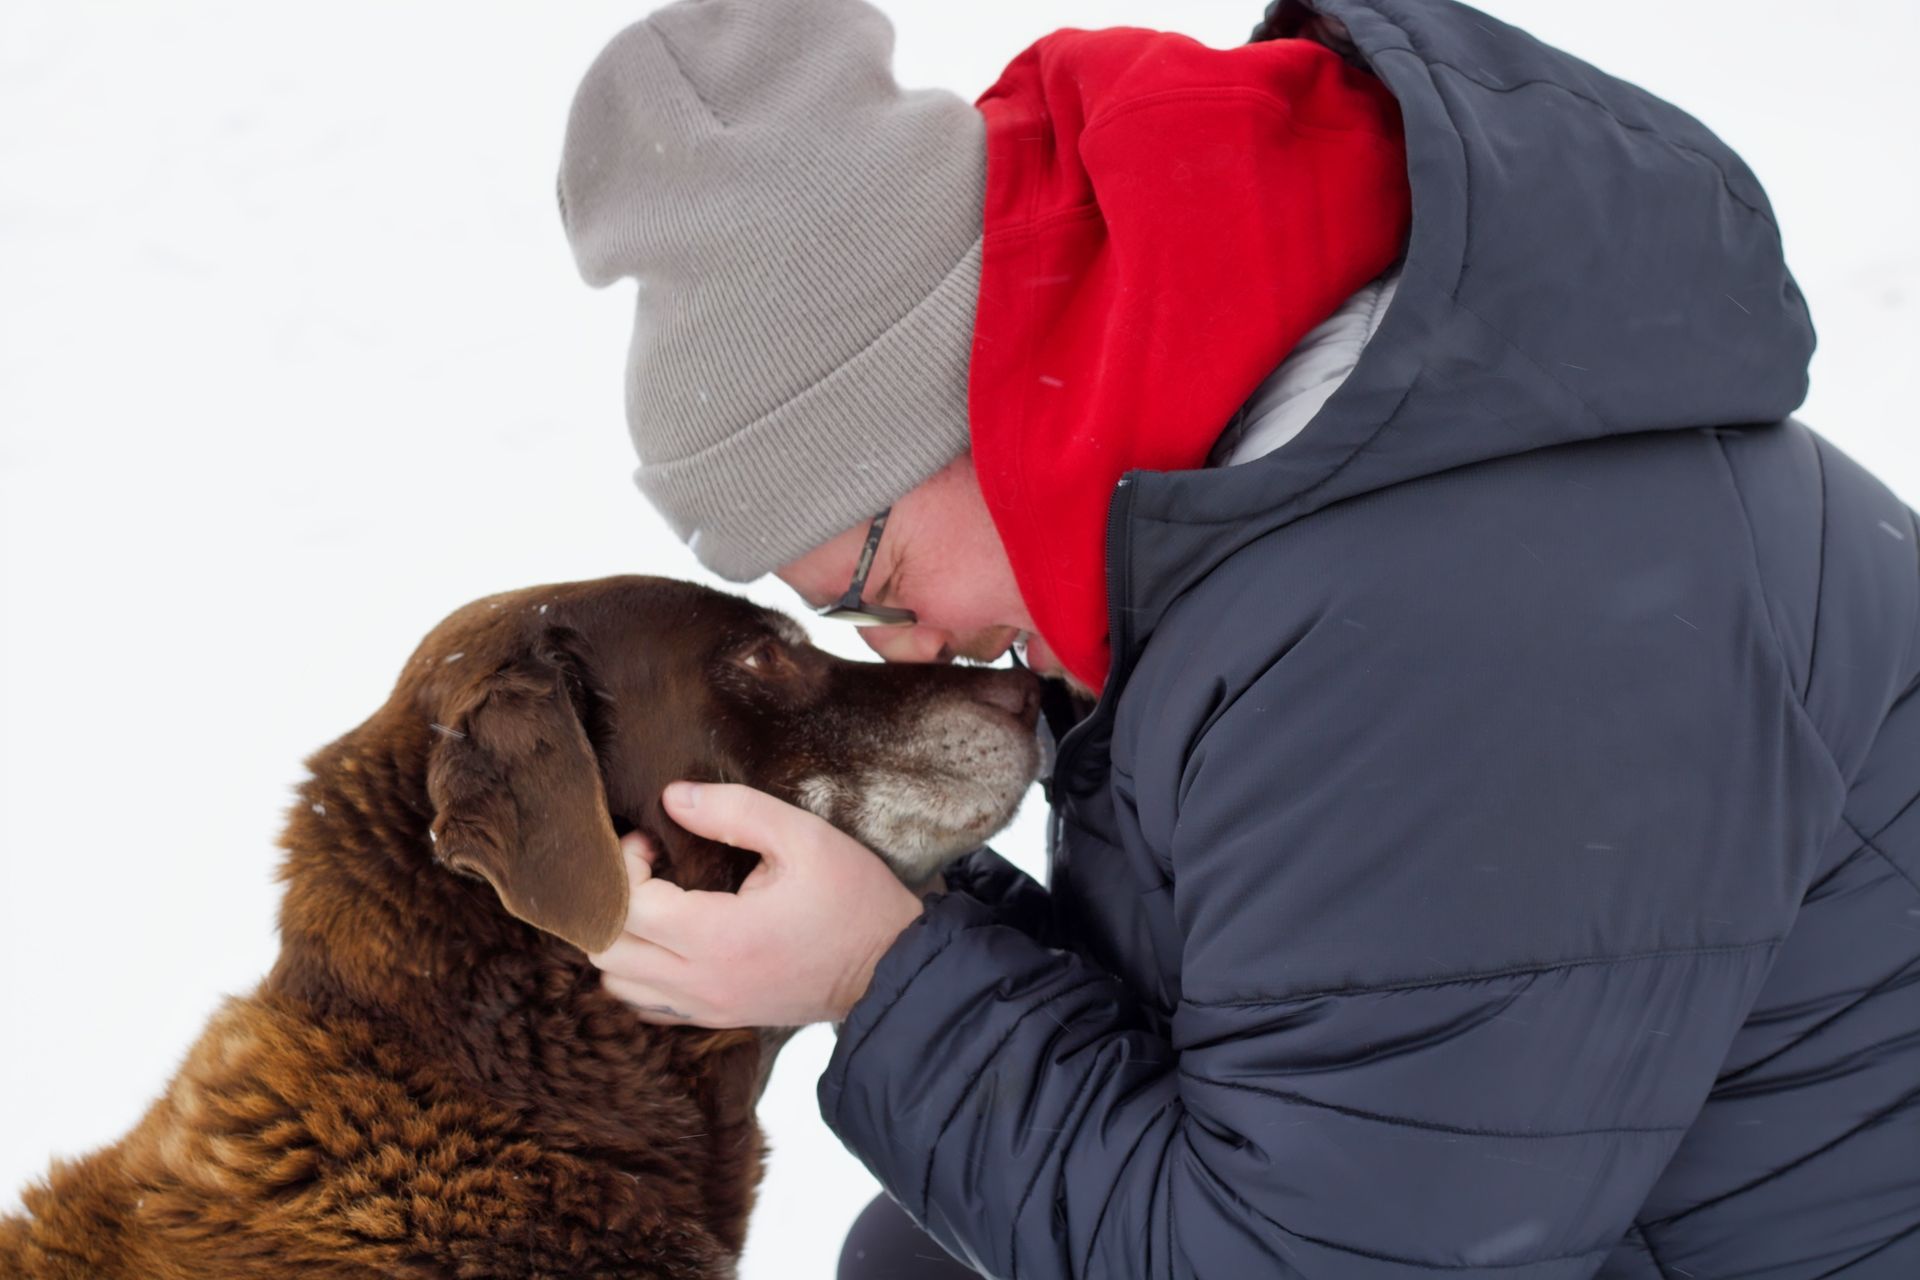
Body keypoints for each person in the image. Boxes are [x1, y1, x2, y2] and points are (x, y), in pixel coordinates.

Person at [557, 0, 1920, 1275]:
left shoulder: (1433, 623)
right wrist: (886, 913)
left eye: (877, 581)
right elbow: (1303, 1018)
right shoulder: (1276, 492)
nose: (916, 650)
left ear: (976, 403)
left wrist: (874, 974)